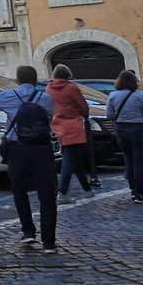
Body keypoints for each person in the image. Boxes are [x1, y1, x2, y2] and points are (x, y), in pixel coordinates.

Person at [0, 65, 57, 252]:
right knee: (47, 195)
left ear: (18, 79)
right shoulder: (45, 98)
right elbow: (50, 118)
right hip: (42, 149)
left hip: (18, 149)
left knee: (19, 190)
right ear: (36, 79)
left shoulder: (10, 95)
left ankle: (28, 231)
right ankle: (49, 242)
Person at [46, 64, 92, 203]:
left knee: (74, 158)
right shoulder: (72, 87)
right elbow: (83, 106)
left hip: (58, 125)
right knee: (69, 160)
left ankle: (87, 189)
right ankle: (63, 191)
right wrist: (85, 115)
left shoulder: (48, 88)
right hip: (74, 125)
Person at [105, 70, 143, 203]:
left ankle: (133, 190)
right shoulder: (140, 96)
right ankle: (140, 192)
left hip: (121, 129)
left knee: (129, 159)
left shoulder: (113, 95)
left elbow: (109, 115)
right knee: (139, 160)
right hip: (138, 128)